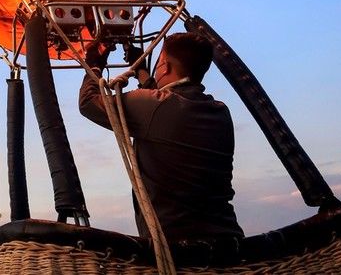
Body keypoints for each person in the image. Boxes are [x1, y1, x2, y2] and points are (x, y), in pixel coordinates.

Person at [78, 32, 244, 243]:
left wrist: (94, 64)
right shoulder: (220, 113)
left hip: (177, 253)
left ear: (164, 67)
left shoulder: (155, 107)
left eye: (159, 64)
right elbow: (164, 107)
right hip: (229, 243)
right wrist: (142, 73)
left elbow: (88, 103)